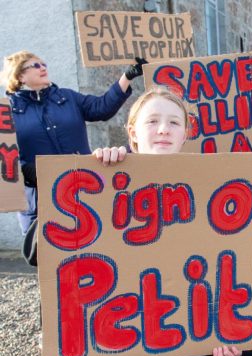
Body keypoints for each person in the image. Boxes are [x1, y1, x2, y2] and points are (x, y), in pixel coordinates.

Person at [94, 88, 252, 356]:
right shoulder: (105, 178)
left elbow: (224, 265)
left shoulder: (206, 188)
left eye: (173, 123)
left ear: (185, 134)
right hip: (135, 337)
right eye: (152, 121)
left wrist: (220, 327)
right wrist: (92, 173)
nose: (163, 130)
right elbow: (41, 249)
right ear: (132, 132)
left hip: (197, 327)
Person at [0, 50, 144, 234]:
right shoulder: (6, 112)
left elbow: (101, 108)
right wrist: (24, 169)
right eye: (35, 65)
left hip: (84, 188)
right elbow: (5, 159)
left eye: (44, 64)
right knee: (50, 256)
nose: (43, 68)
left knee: (93, 244)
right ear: (20, 75)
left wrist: (128, 76)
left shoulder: (67, 97)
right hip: (39, 197)